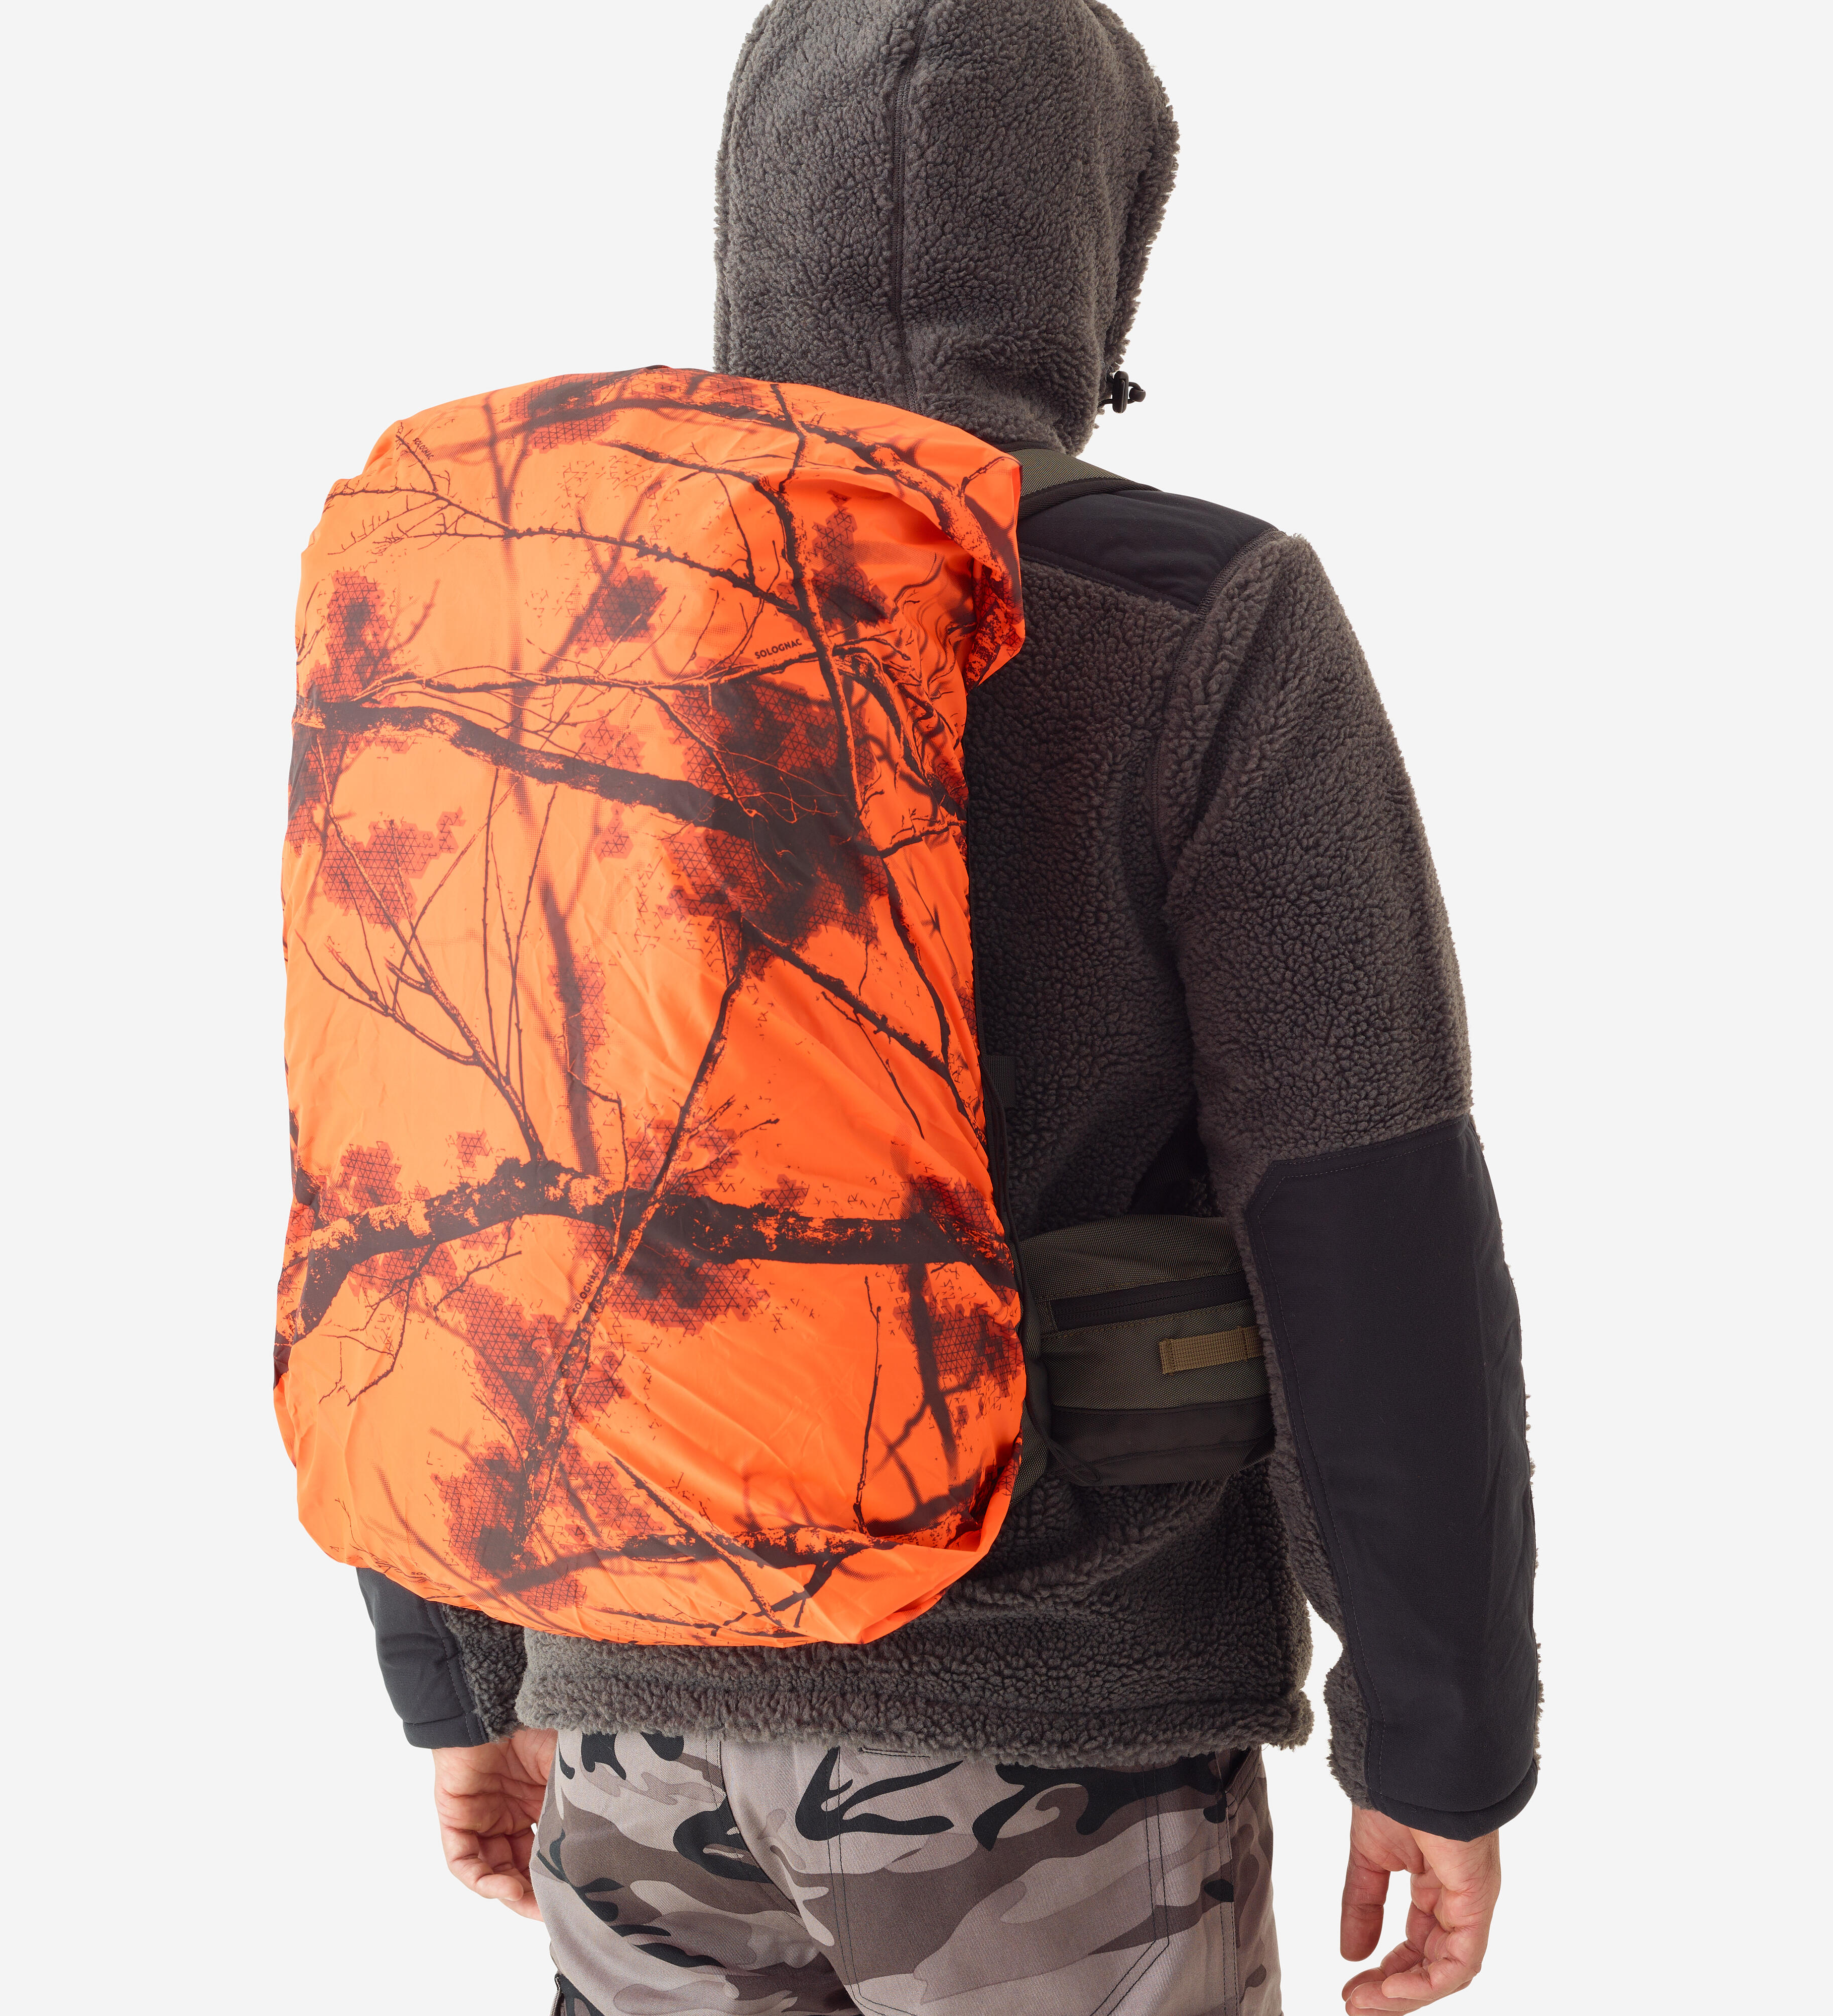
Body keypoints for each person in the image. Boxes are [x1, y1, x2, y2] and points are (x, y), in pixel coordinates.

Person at [347, 4, 1537, 2009]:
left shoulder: (541, 605)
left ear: (750, 214)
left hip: (627, 1702)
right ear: (1100, 236)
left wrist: (458, 1668)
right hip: (1058, 1722)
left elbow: (419, 1148)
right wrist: (1439, 1735)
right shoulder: (1198, 612)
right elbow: (1362, 1208)